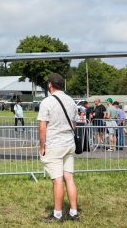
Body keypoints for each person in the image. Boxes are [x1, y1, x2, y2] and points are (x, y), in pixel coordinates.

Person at [38, 73, 79, 222]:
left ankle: (57, 214)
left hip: (54, 144)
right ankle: (74, 212)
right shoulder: (71, 101)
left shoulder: (47, 102)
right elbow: (74, 124)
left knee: (57, 180)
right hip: (69, 143)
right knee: (69, 177)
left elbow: (42, 127)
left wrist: (42, 146)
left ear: (50, 85)